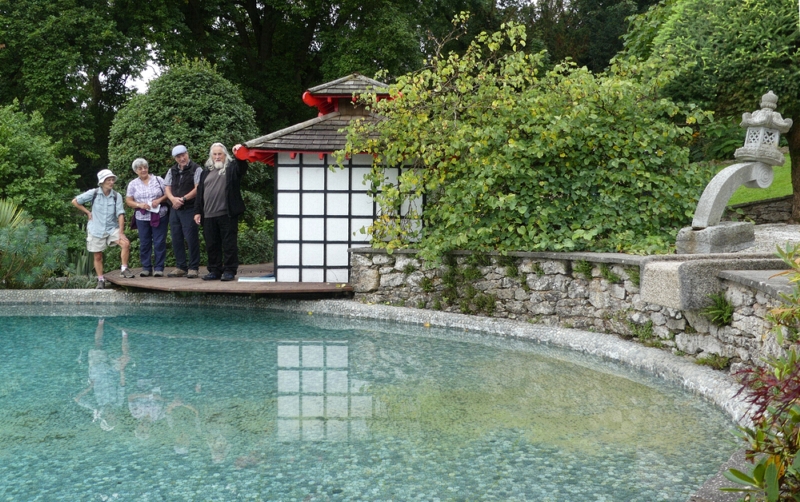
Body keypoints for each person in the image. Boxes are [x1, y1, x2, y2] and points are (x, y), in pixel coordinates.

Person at [194, 143, 248, 281]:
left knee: (229, 244)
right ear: (211, 156)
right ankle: (215, 270)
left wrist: (239, 153)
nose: (217, 156)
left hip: (227, 214)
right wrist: (197, 211)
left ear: (225, 155)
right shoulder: (206, 171)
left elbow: (242, 167)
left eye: (220, 154)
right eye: (215, 154)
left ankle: (229, 270)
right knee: (212, 244)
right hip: (208, 215)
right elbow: (200, 192)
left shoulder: (231, 168)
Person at [72, 169, 132, 289]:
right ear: (102, 182)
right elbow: (75, 201)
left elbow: (120, 214)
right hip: (96, 229)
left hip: (111, 228)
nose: (111, 182)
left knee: (125, 243)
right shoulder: (93, 193)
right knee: (98, 256)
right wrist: (87, 212)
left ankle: (124, 269)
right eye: (108, 180)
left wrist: (121, 232)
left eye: (112, 180)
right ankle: (100, 280)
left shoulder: (116, 196)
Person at [126, 158, 169, 277]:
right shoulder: (133, 184)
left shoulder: (158, 179)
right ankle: (146, 268)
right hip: (142, 216)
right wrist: (139, 205)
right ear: (136, 171)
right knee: (145, 242)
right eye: (140, 168)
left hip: (160, 214)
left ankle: (159, 268)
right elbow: (129, 201)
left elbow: (168, 193)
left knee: (159, 241)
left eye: (145, 167)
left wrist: (159, 200)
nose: (144, 170)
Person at [165, 145, 202, 278]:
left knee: (191, 238)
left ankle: (193, 267)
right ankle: (181, 266)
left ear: (187, 153)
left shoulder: (196, 169)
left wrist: (183, 199)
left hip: (190, 208)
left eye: (183, 155)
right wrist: (172, 199)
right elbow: (167, 187)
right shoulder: (172, 170)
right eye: (178, 157)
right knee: (176, 237)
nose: (182, 158)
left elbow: (198, 188)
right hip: (175, 208)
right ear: (175, 158)